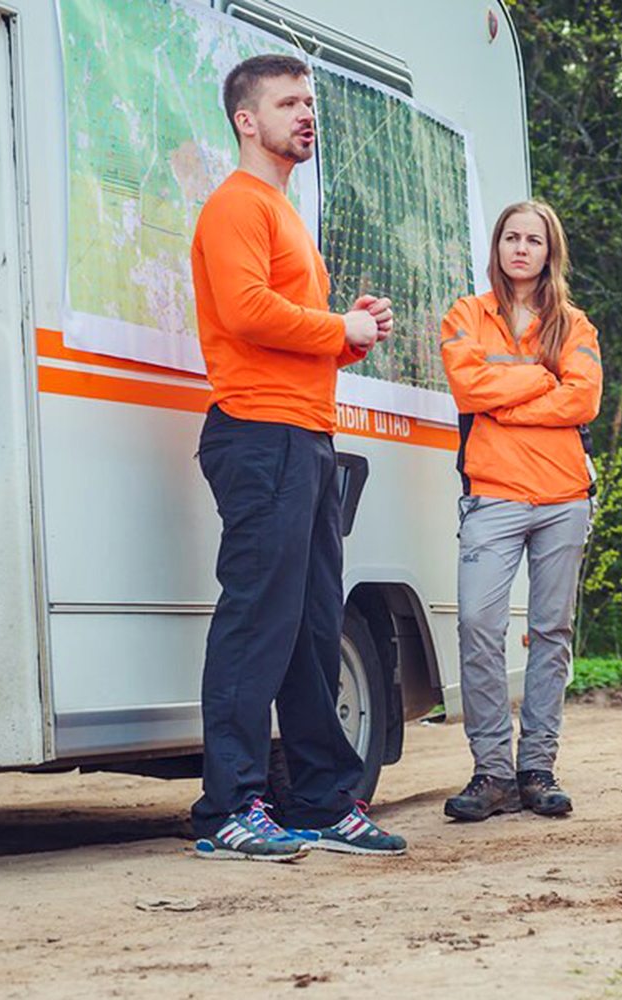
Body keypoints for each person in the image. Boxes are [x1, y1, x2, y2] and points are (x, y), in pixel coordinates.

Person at [189, 54, 405, 860]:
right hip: (260, 436)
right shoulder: (236, 206)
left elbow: (289, 336)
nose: (306, 113)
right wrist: (335, 329)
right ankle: (227, 810)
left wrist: (345, 335)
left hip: (304, 436)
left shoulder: (280, 211)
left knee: (314, 627)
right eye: (289, 102)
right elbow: (246, 313)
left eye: (309, 101)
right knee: (258, 624)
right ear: (248, 119)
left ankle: (319, 801)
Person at [439, 200, 603, 823]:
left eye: (533, 240)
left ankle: (537, 767)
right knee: (479, 624)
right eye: (512, 237)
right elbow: (467, 388)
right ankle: (491, 772)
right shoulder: (466, 315)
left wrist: (509, 402)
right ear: (498, 246)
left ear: (549, 251)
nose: (521, 249)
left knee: (551, 633)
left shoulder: (575, 325)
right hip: (493, 493)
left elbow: (583, 399)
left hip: (563, 497)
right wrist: (542, 379)